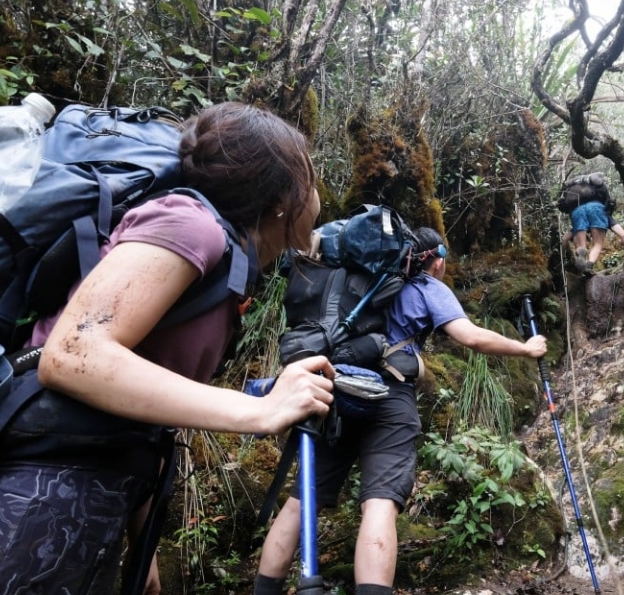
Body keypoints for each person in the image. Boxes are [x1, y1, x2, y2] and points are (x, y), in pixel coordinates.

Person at [0, 102, 335, 595]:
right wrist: (260, 409)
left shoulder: (232, 261)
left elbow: (141, 407)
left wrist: (144, 540)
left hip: (90, 483)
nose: (317, 194)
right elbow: (73, 354)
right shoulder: (190, 222)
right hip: (43, 478)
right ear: (281, 194)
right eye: (310, 177)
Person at [254, 227, 548, 595]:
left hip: (333, 392)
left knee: (301, 502)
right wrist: (526, 348)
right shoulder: (428, 288)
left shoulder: (355, 281)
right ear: (436, 260)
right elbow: (470, 336)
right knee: (379, 504)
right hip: (388, 399)